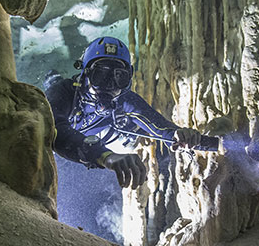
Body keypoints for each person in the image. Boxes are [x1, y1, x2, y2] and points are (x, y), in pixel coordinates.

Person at [44, 36, 217, 189]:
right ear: (85, 74)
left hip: (94, 143)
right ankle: (51, 76)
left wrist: (190, 138)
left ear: (127, 79)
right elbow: (53, 129)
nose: (109, 86)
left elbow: (161, 128)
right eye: (100, 76)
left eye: (119, 77)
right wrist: (106, 157)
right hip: (68, 145)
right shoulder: (64, 92)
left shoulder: (124, 99)